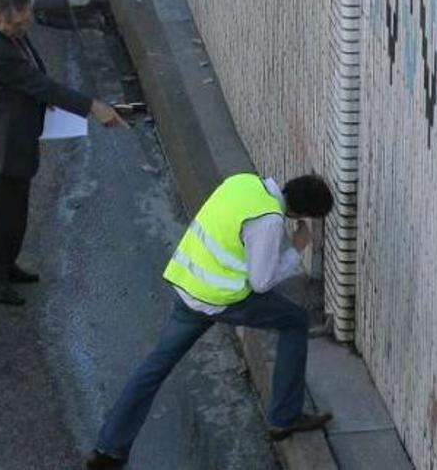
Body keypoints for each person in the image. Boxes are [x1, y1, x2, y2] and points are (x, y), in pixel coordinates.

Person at [86, 173, 336, 469]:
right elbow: (262, 282)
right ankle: (284, 418)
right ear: (301, 213)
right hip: (221, 298)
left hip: (188, 287)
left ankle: (108, 449)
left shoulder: (244, 182)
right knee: (295, 320)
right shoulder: (269, 220)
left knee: (154, 368)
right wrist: (296, 249)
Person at [0, 0, 127, 306]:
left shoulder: (7, 32)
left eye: (26, 22)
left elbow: (32, 75)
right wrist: (93, 107)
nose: (25, 29)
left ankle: (5, 264)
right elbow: (38, 82)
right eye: (19, 24)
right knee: (4, 212)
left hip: (16, 131)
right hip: (5, 140)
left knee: (14, 211)